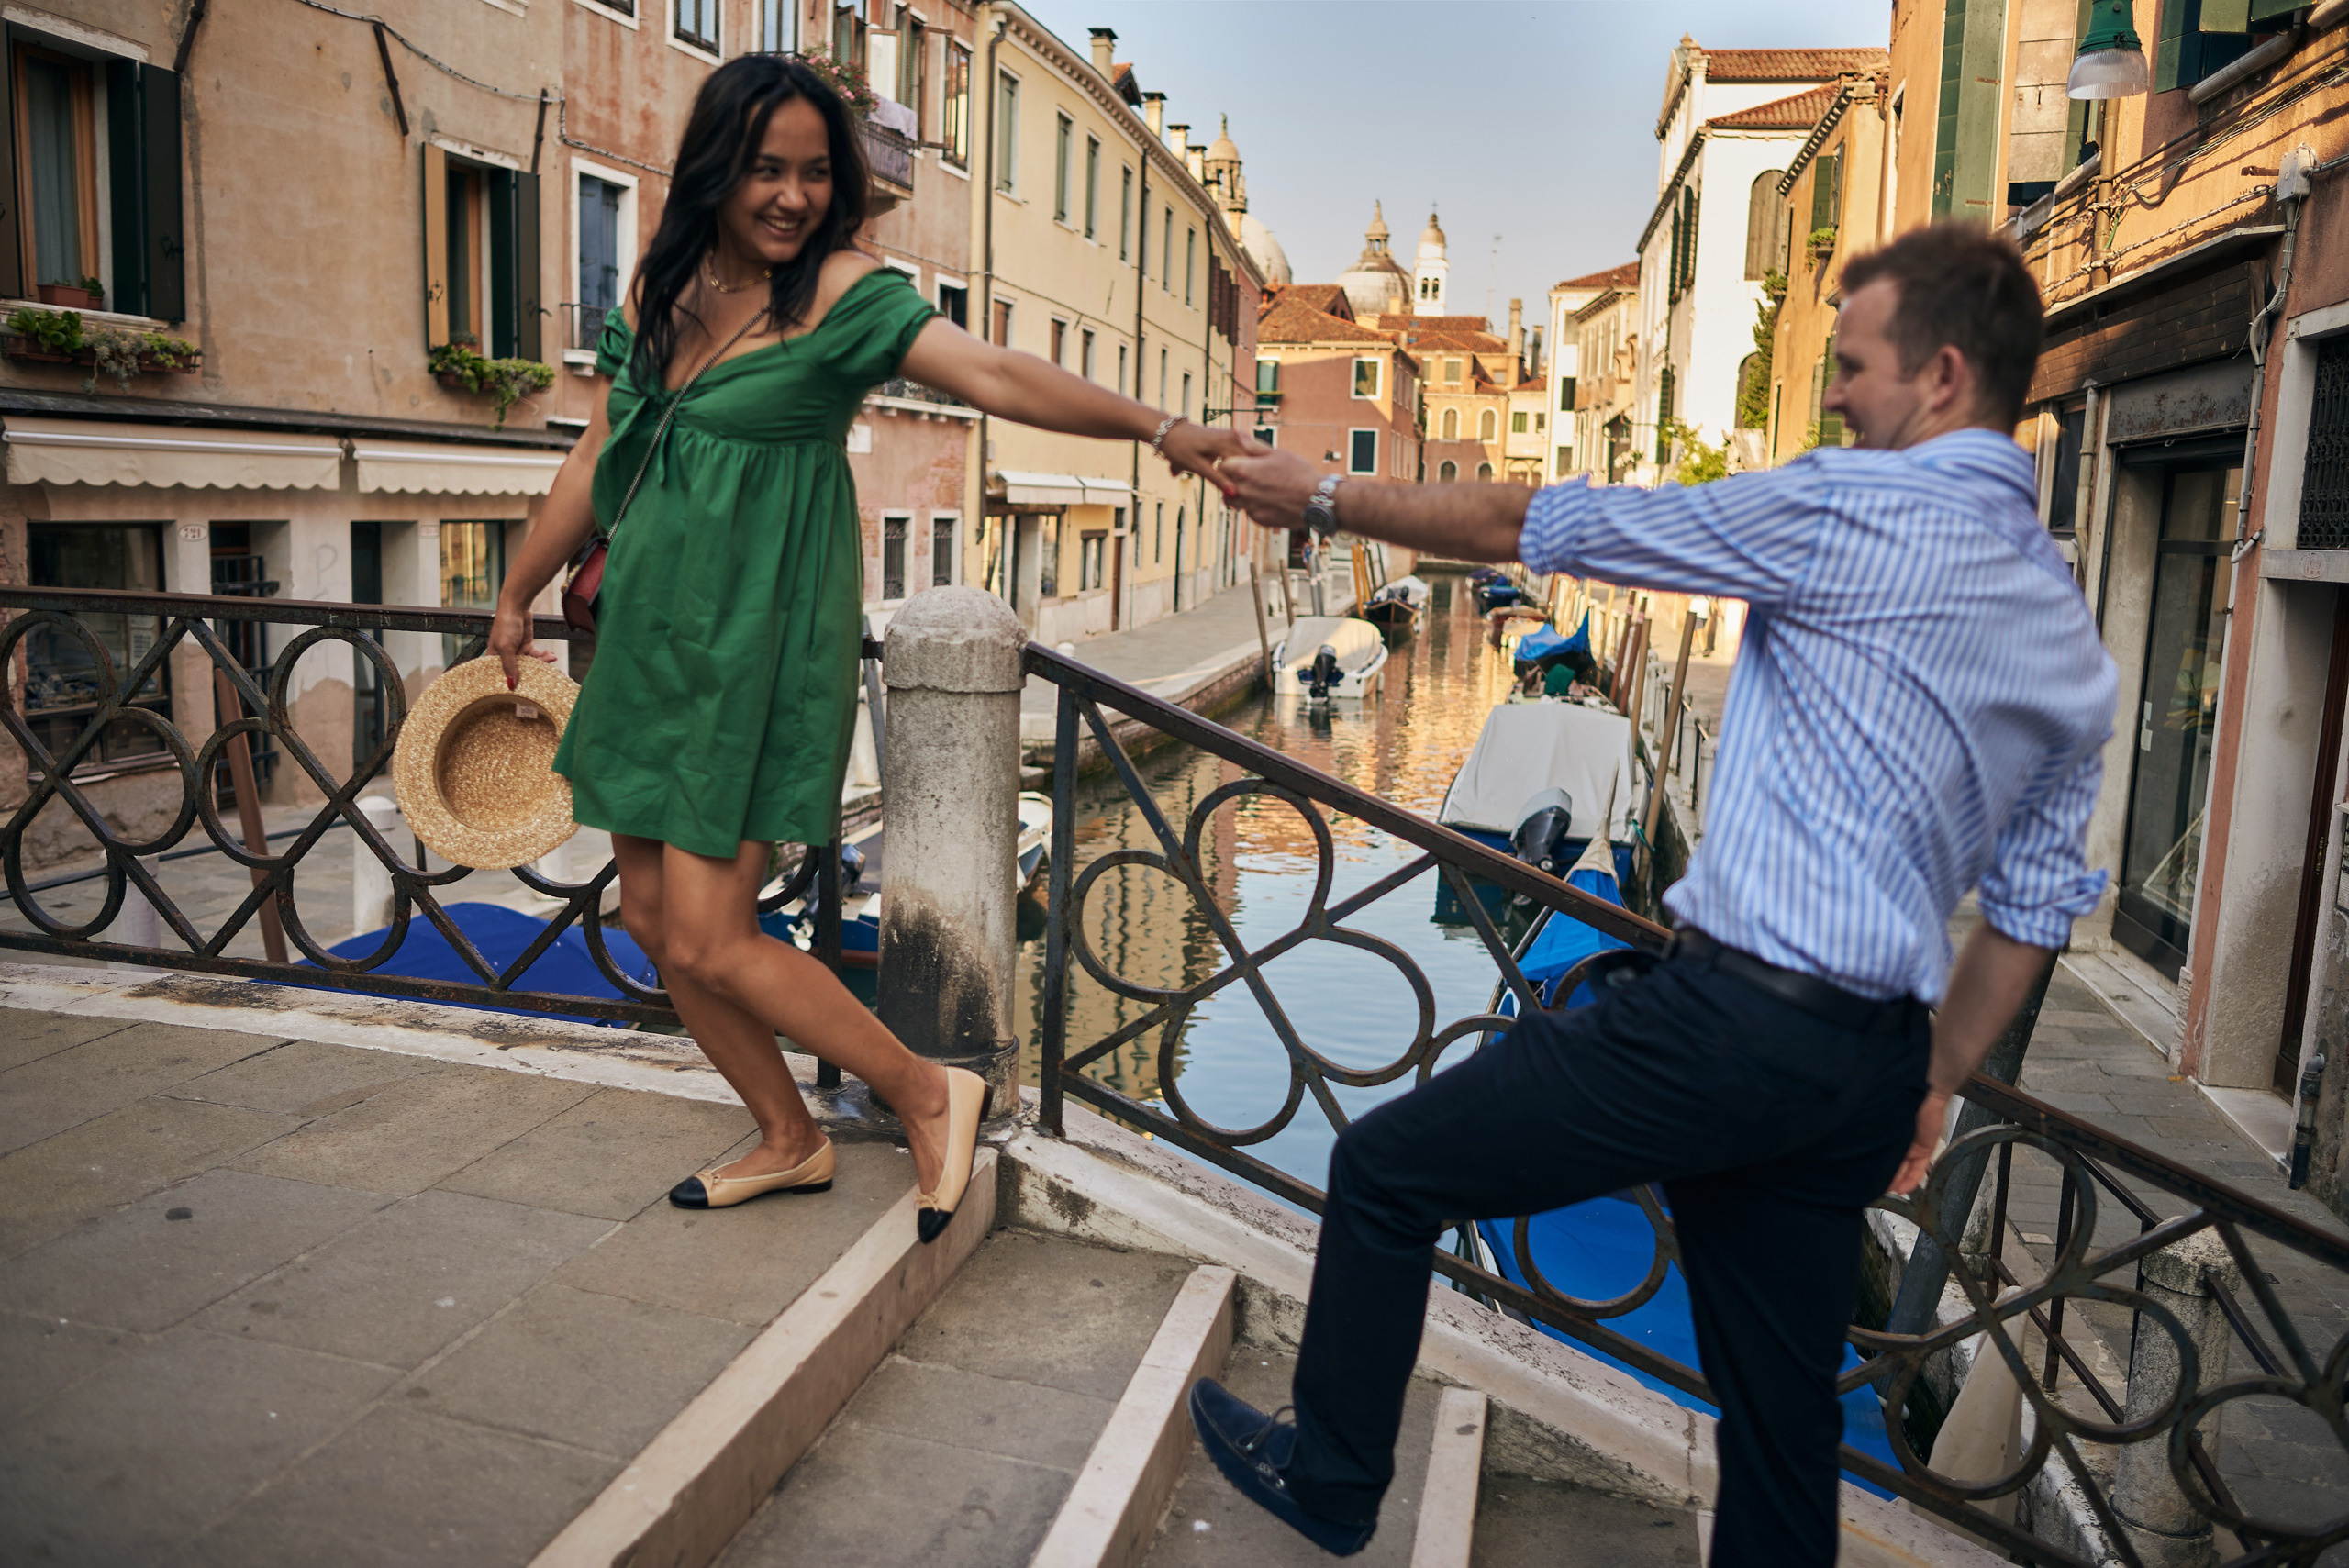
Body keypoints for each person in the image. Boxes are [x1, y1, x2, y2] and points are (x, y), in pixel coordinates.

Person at [1197, 223, 2118, 1564]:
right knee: (1784, 1428)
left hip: (1724, 1025)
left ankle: (1335, 1477)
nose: (1833, 393)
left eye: (1855, 365)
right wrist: (1930, 1081)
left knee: (1386, 1171)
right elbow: (2031, 915)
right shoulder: (2066, 627)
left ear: (1943, 376)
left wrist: (1326, 497)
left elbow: (1539, 522)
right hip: (1863, 1067)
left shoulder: (1843, 507)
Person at [487, 57, 1243, 1240]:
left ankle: (927, 1089)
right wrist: (515, 590)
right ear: (715, 170)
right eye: (766, 169)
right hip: (645, 639)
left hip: (752, 650)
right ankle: (790, 1138)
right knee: (651, 920)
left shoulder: (844, 295)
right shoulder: (662, 290)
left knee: (713, 935)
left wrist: (1159, 426)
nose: (792, 196)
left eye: (814, 172)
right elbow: (596, 454)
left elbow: (991, 370)